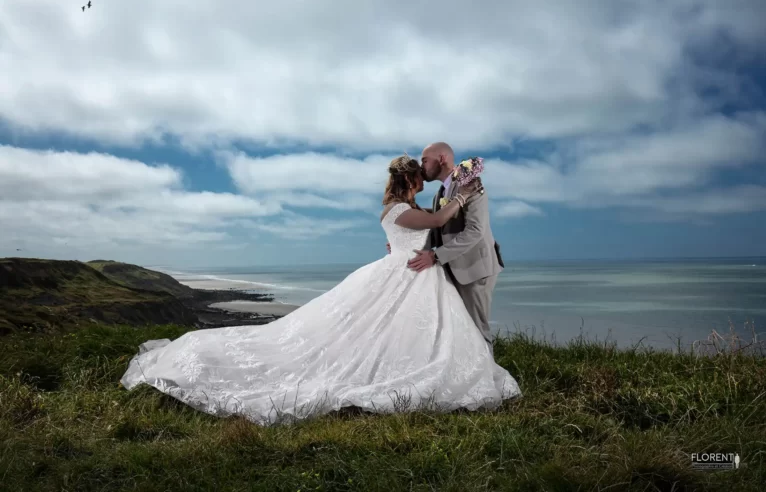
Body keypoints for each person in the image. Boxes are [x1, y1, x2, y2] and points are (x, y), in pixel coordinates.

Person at [120, 155, 521, 426]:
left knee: (400, 334)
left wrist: (455, 197)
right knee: (380, 335)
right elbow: (437, 217)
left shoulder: (398, 209)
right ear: (412, 180)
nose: (424, 180)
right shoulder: (402, 209)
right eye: (420, 176)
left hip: (413, 271)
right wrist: (464, 194)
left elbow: (422, 229)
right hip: (409, 273)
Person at [406, 142, 504, 356]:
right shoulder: (439, 193)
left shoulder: (471, 184)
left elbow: (475, 231)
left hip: (474, 269)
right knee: (460, 329)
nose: (421, 166)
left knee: (478, 329)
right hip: (453, 268)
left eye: (424, 160)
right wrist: (406, 245)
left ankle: (493, 384)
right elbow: (438, 229)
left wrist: (435, 256)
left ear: (441, 158)